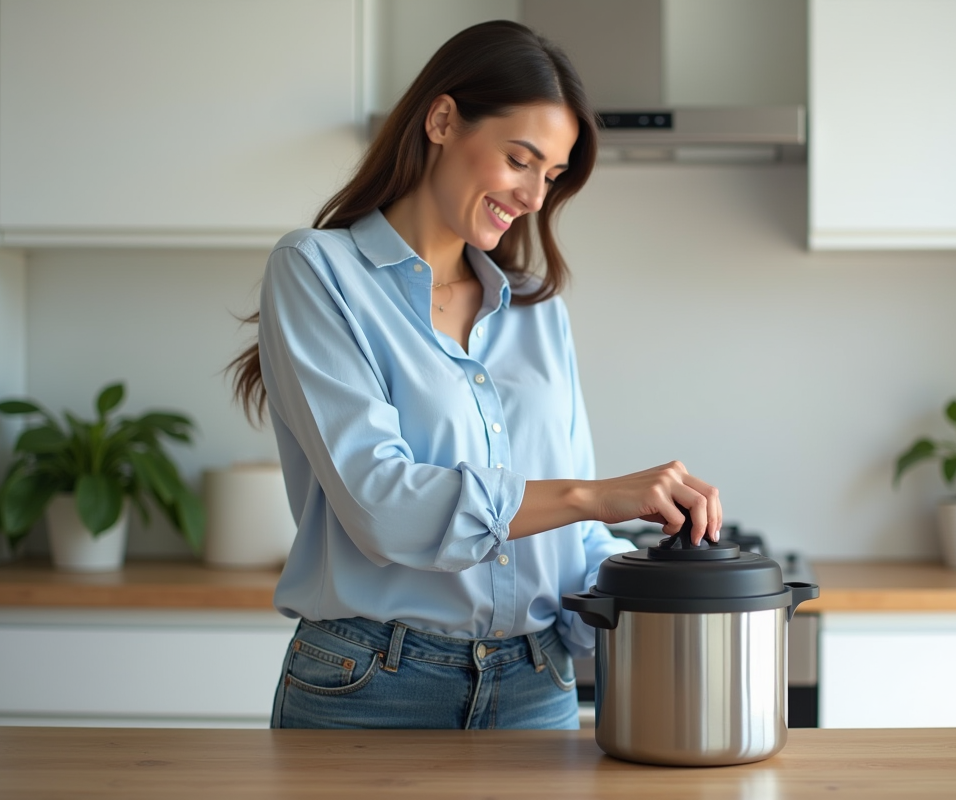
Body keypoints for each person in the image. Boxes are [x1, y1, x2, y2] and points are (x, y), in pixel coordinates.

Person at [228, 20, 722, 731]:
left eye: (551, 177)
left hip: (536, 683)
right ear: (441, 120)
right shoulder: (317, 271)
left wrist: (670, 577)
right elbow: (382, 507)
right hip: (371, 687)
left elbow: (574, 545)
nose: (534, 197)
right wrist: (594, 495)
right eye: (521, 160)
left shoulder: (535, 311)